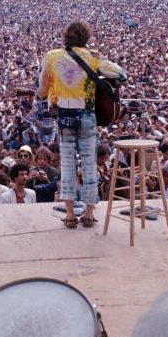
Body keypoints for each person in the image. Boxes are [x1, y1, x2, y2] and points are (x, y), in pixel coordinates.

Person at [36, 20, 126, 228]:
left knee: (67, 165)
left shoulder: (52, 57)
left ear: (65, 36)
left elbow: (41, 90)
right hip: (87, 117)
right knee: (89, 165)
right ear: (86, 37)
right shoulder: (92, 57)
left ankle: (69, 215)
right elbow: (121, 73)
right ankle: (89, 213)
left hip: (65, 117)